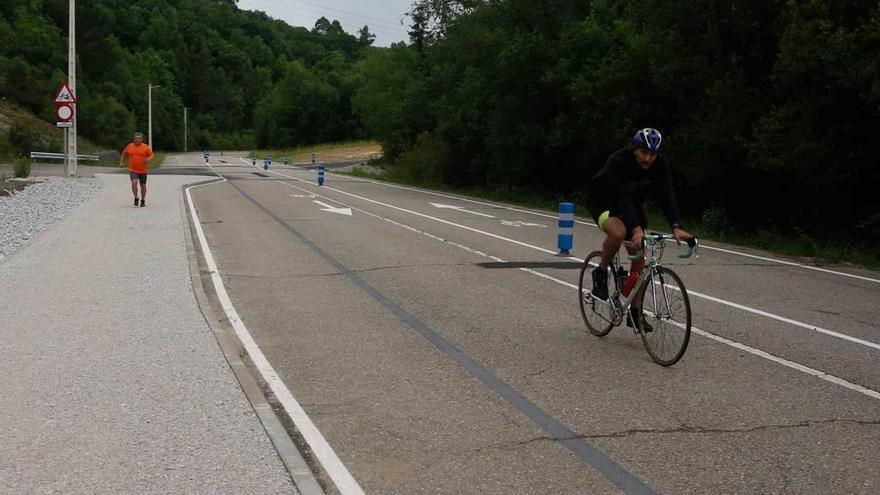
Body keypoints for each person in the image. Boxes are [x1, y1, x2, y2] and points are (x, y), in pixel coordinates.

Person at [587, 128, 694, 332]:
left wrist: (676, 226)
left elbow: (666, 195)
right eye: (643, 152)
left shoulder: (659, 165)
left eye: (652, 154)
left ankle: (635, 314)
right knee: (618, 233)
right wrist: (635, 228)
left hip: (632, 206)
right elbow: (619, 197)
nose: (648, 159)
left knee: (640, 257)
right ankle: (600, 272)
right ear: (634, 148)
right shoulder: (618, 161)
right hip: (604, 201)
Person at [120, 132, 154, 207]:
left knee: (143, 185)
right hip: (133, 170)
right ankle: (136, 198)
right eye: (136, 138)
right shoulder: (130, 146)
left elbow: (151, 155)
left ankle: (143, 200)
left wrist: (148, 159)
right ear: (133, 139)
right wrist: (121, 162)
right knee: (134, 183)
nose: (137, 140)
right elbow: (124, 153)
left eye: (139, 138)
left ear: (141, 139)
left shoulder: (145, 147)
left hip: (143, 170)